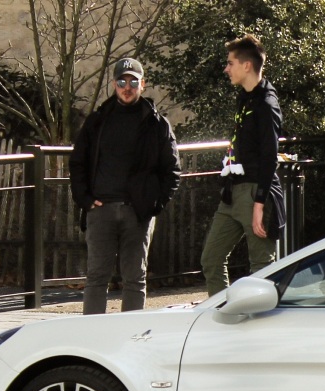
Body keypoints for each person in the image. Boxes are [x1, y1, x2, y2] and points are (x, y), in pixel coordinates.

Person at [69, 57, 181, 314]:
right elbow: (78, 164)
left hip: (138, 213)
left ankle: (131, 341)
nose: (127, 87)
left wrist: (154, 204)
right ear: (114, 84)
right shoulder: (97, 121)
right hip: (101, 210)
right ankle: (92, 341)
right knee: (97, 278)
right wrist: (85, 200)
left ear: (143, 84)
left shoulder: (157, 124)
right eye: (122, 81)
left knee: (135, 279)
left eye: (133, 81)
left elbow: (172, 171)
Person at [200, 34, 286, 296]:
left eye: (230, 63)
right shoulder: (245, 97)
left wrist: (259, 204)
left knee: (261, 267)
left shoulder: (266, 104)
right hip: (233, 191)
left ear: (246, 65)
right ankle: (223, 314)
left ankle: (260, 326)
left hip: (255, 193)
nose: (226, 68)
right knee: (211, 259)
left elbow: (270, 157)